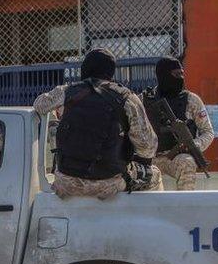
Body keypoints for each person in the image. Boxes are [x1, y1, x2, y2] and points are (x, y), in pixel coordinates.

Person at [34, 48, 162, 200]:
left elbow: (39, 104)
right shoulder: (127, 98)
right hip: (108, 183)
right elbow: (148, 148)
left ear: (85, 67)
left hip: (66, 182)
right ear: (110, 71)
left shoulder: (67, 91)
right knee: (155, 174)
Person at [141, 57, 215, 190]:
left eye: (182, 73)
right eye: (176, 74)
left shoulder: (191, 100)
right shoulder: (145, 100)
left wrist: (193, 144)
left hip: (175, 158)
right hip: (150, 158)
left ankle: (184, 207)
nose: (180, 77)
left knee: (187, 163)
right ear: (163, 75)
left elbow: (208, 132)